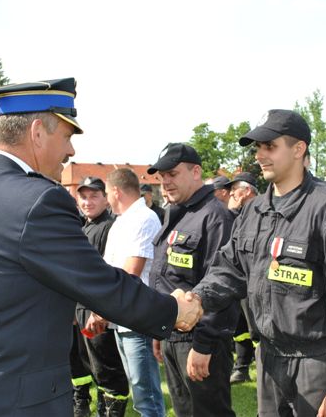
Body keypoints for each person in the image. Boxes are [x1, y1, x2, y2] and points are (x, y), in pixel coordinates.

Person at [0, 78, 202, 417]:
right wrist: (173, 310)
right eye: (66, 136)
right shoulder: (37, 201)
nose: (71, 151)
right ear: (37, 133)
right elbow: (99, 282)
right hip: (8, 401)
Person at [191, 109, 326, 417]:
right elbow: (229, 269)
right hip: (268, 358)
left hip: (317, 362)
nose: (260, 156)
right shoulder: (253, 212)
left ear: (298, 149)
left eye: (270, 146)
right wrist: (198, 296)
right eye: (258, 148)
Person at [148, 143, 238, 417]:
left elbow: (222, 283)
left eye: (172, 174)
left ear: (196, 171)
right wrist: (159, 329)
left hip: (200, 339)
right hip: (172, 335)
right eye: (161, 176)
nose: (165, 182)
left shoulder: (215, 216)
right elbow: (166, 276)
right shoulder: (177, 212)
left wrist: (204, 344)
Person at [105, 168, 166, 417]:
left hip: (138, 318)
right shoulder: (124, 220)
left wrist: (103, 305)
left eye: (107, 193)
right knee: (140, 393)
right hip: (123, 316)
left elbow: (131, 272)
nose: (108, 198)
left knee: (146, 396)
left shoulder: (143, 218)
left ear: (116, 192)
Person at [73, 176, 130, 417]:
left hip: (98, 310)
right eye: (83, 197)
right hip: (81, 307)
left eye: (94, 196)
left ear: (106, 199)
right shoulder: (84, 226)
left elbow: (109, 273)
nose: (87, 202)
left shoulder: (110, 227)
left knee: (108, 368)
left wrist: (100, 312)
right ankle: (96, 407)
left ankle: (113, 412)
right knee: (90, 365)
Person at [222, 172, 259, 384]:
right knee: (241, 328)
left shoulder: (260, 212)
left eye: (234, 189)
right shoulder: (240, 214)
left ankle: (264, 371)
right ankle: (242, 367)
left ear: (246, 191)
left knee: (256, 330)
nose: (231, 194)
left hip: (257, 283)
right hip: (241, 281)